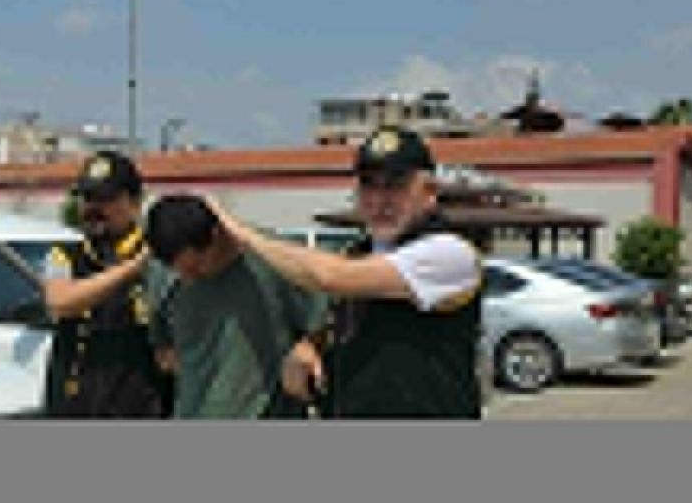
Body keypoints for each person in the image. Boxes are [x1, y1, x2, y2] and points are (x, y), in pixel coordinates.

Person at [207, 126, 485, 419]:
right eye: (369, 185)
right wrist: (310, 347)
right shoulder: (359, 253)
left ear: (429, 192)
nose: (379, 200)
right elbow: (346, 322)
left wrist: (241, 234)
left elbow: (329, 277)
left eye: (395, 186)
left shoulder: (447, 254)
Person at [144, 195, 327, 419]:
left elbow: (322, 316)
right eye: (179, 271)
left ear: (216, 235)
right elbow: (163, 350)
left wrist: (307, 345)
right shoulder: (160, 274)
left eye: (196, 268)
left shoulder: (272, 259)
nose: (188, 278)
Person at [41, 151, 174, 418]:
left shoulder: (163, 255)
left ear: (135, 202)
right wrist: (132, 269)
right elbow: (60, 302)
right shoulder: (65, 256)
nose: (93, 209)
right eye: (87, 198)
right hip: (76, 406)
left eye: (105, 199)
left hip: (142, 407)